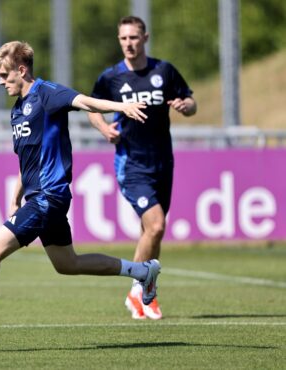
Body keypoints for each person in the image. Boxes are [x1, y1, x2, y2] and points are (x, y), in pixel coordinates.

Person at [0, 40, 161, 352]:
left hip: (49, 196)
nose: (0, 81)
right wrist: (16, 194)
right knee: (68, 264)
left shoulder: (46, 93)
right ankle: (144, 271)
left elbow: (85, 101)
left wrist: (121, 107)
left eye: (4, 74)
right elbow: (29, 159)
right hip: (36, 196)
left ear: (21, 70)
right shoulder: (17, 111)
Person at [88, 16, 197, 320]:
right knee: (157, 225)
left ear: (145, 37)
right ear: (119, 40)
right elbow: (92, 109)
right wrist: (104, 129)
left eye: (134, 38)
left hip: (163, 161)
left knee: (152, 232)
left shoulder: (164, 71)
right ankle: (137, 292)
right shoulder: (111, 78)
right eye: (123, 38)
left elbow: (190, 102)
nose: (129, 44)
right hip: (131, 163)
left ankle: (148, 295)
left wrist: (186, 107)